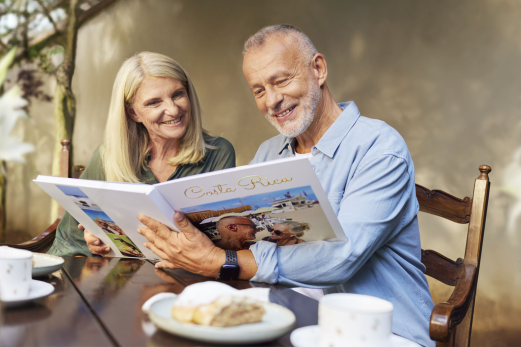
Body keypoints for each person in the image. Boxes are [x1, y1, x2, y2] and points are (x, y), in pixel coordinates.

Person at [137, 25, 434, 346]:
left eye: (281, 81)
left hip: (379, 331)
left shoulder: (378, 147)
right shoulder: (270, 152)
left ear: (318, 69)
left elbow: (343, 258)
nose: (272, 100)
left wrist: (222, 262)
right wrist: (185, 246)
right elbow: (241, 235)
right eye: (259, 90)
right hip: (290, 318)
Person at [47, 52, 236, 257]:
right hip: (120, 275)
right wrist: (95, 241)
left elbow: (221, 239)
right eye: (154, 102)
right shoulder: (109, 156)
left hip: (187, 275)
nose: (173, 110)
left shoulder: (219, 153)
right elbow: (71, 237)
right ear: (133, 113)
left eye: (178, 94)